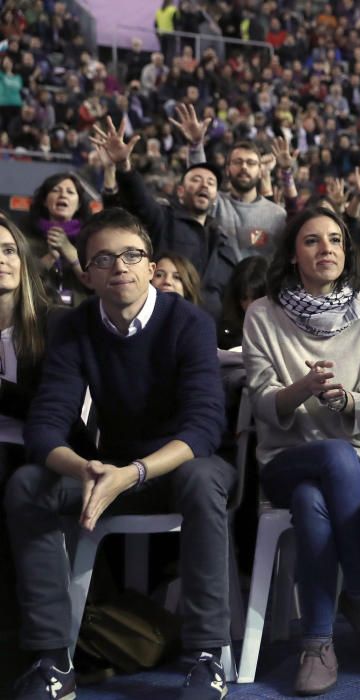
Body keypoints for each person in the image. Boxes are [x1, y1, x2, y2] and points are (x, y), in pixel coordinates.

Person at [5, 207, 233, 700]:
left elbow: (205, 428)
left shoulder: (189, 322)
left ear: (152, 267)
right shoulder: (74, 327)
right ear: (86, 274)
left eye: (132, 255)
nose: (120, 267)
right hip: (109, 473)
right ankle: (52, 660)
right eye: (104, 258)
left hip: (175, 467)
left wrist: (131, 473)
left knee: (203, 477)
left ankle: (206, 655)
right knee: (28, 484)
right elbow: (45, 427)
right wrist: (87, 468)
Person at [242, 206, 360, 695]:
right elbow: (263, 403)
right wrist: (303, 388)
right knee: (328, 459)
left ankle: (317, 643)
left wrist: (347, 400)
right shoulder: (262, 315)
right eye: (312, 240)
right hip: (286, 456)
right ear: (292, 253)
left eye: (334, 240)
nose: (325, 249)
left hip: (359, 456)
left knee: (314, 499)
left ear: (346, 251)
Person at [92, 116, 240, 321]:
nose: (204, 185)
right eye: (196, 180)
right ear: (180, 191)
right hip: (161, 321)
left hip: (209, 331)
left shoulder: (223, 241)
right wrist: (125, 167)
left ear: (216, 197)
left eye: (211, 183)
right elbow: (139, 200)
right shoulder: (163, 218)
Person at [0, 212, 55, 685]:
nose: (0, 261)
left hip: (36, 458)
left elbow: (50, 411)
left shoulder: (52, 327)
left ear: (23, 261)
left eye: (7, 250)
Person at [172, 104, 288, 257]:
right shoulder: (215, 204)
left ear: (261, 172)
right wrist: (195, 146)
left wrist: (287, 173)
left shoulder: (277, 215)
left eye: (251, 163)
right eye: (238, 162)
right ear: (227, 169)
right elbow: (200, 179)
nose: (244, 167)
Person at [26, 172, 94, 306]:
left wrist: (68, 250)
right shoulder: (26, 237)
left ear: (79, 204)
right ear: (45, 201)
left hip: (80, 314)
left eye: (70, 192)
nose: (63, 195)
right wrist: (51, 256)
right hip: (39, 312)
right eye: (56, 190)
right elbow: (23, 281)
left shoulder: (91, 239)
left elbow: (95, 282)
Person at [217, 255, 267, 350]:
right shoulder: (226, 332)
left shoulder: (283, 327)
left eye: (256, 298)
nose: (249, 305)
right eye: (244, 298)